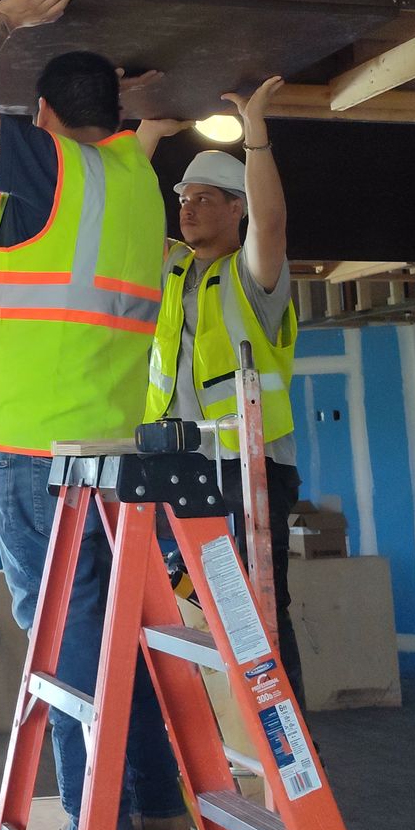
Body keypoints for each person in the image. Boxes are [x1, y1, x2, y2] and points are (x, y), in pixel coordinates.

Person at [0, 0, 192, 830]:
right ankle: (158, 810)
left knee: (69, 640)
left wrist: (2, 15)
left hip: (35, 452)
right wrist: (135, 98)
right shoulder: (139, 183)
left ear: (41, 115)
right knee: (115, 632)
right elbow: (139, 127)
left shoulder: (51, 167)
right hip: (111, 449)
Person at [140, 77, 305, 705]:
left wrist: (256, 134)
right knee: (187, 606)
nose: (188, 207)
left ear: (235, 208)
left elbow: (272, 223)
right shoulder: (174, 269)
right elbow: (126, 222)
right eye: (184, 197)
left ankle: (286, 743)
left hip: (249, 469)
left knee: (255, 610)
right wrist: (143, 143)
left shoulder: (253, 277)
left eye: (206, 198)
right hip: (178, 466)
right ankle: (220, 733)